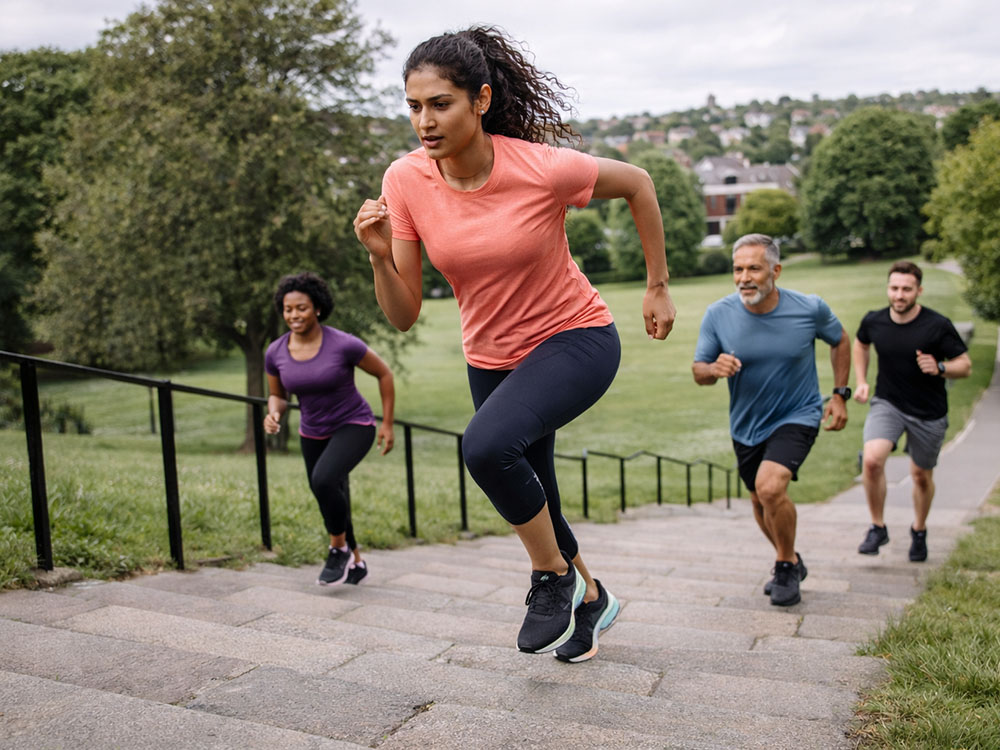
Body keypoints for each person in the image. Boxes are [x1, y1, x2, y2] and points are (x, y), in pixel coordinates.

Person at [354, 26, 675, 662]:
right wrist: (378, 258)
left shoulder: (541, 168)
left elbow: (639, 182)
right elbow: (404, 314)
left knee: (486, 446)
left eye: (440, 104)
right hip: (491, 359)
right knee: (537, 496)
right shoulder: (405, 180)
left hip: (575, 337)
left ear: (480, 100)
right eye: (414, 106)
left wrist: (657, 286)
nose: (425, 121)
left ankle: (551, 578)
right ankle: (591, 599)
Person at [692, 233, 850, 606]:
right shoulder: (718, 314)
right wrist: (714, 369)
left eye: (754, 269)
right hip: (747, 423)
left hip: (799, 413)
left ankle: (783, 565)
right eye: (738, 269)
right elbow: (699, 371)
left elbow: (841, 340)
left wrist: (839, 395)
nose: (744, 278)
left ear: (775, 271)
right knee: (759, 500)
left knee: (770, 488)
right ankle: (790, 559)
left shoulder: (809, 308)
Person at [263, 272, 395, 586]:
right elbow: (278, 395)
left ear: (318, 308)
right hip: (312, 431)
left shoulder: (343, 344)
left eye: (302, 308)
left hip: (354, 424)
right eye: (288, 309)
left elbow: (384, 374)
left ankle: (337, 549)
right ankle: (356, 562)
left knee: (323, 480)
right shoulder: (275, 352)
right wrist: (273, 413)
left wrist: (388, 424)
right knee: (331, 492)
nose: (294, 315)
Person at [853, 261, 971, 562]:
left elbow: (965, 366)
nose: (899, 295)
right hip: (888, 403)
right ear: (887, 288)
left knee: (920, 476)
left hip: (928, 411)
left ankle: (919, 530)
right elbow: (861, 344)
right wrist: (862, 381)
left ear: (919, 290)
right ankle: (877, 527)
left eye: (906, 289)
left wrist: (940, 367)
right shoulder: (874, 321)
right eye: (894, 288)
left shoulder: (937, 325)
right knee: (871, 461)